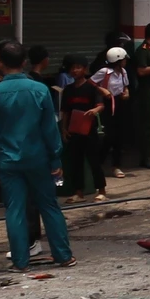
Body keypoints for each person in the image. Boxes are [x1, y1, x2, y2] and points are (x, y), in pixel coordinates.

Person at [0, 40, 74, 270]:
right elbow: (49, 129)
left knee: (15, 209)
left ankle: (20, 261)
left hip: (7, 160)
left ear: (0, 63)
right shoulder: (40, 90)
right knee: (49, 206)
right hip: (38, 158)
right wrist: (55, 158)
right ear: (24, 62)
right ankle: (63, 256)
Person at [60, 56, 110, 203]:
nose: (75, 70)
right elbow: (65, 112)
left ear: (85, 69)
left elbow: (101, 105)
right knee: (76, 162)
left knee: (94, 161)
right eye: (72, 68)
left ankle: (101, 190)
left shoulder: (91, 88)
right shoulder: (68, 90)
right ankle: (78, 192)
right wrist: (64, 129)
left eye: (78, 67)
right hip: (74, 130)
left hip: (90, 130)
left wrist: (95, 110)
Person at [126, 24, 150, 169]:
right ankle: (146, 157)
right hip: (146, 91)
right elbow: (141, 71)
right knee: (148, 125)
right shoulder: (143, 51)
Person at [94, 45, 131, 178]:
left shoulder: (123, 72)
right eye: (123, 59)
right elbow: (91, 82)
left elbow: (126, 86)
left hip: (120, 103)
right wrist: (102, 90)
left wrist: (126, 93)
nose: (125, 61)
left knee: (119, 136)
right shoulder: (104, 72)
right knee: (108, 136)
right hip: (107, 104)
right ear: (118, 60)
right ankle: (98, 163)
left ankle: (116, 166)